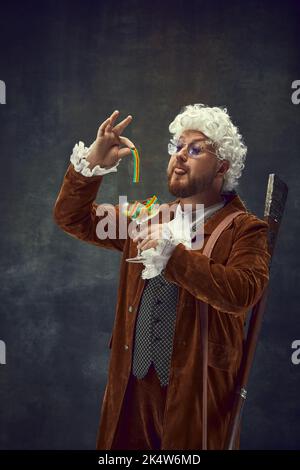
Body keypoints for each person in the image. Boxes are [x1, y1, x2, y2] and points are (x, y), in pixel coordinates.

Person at [53, 103, 270, 450]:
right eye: (177, 146)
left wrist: (175, 259)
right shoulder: (147, 217)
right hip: (131, 392)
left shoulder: (245, 229)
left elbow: (242, 292)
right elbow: (71, 217)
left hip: (195, 398)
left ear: (222, 167)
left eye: (195, 149)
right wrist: (91, 166)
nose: (180, 155)